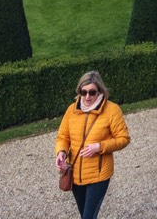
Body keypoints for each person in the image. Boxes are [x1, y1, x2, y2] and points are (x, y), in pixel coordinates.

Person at [55, 71, 131, 219]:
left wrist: (100, 147)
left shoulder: (112, 110)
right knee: (85, 215)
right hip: (75, 174)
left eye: (92, 92)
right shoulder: (72, 110)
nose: (87, 97)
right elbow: (63, 137)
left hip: (99, 175)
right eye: (83, 92)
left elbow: (124, 138)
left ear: (100, 91)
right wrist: (61, 152)